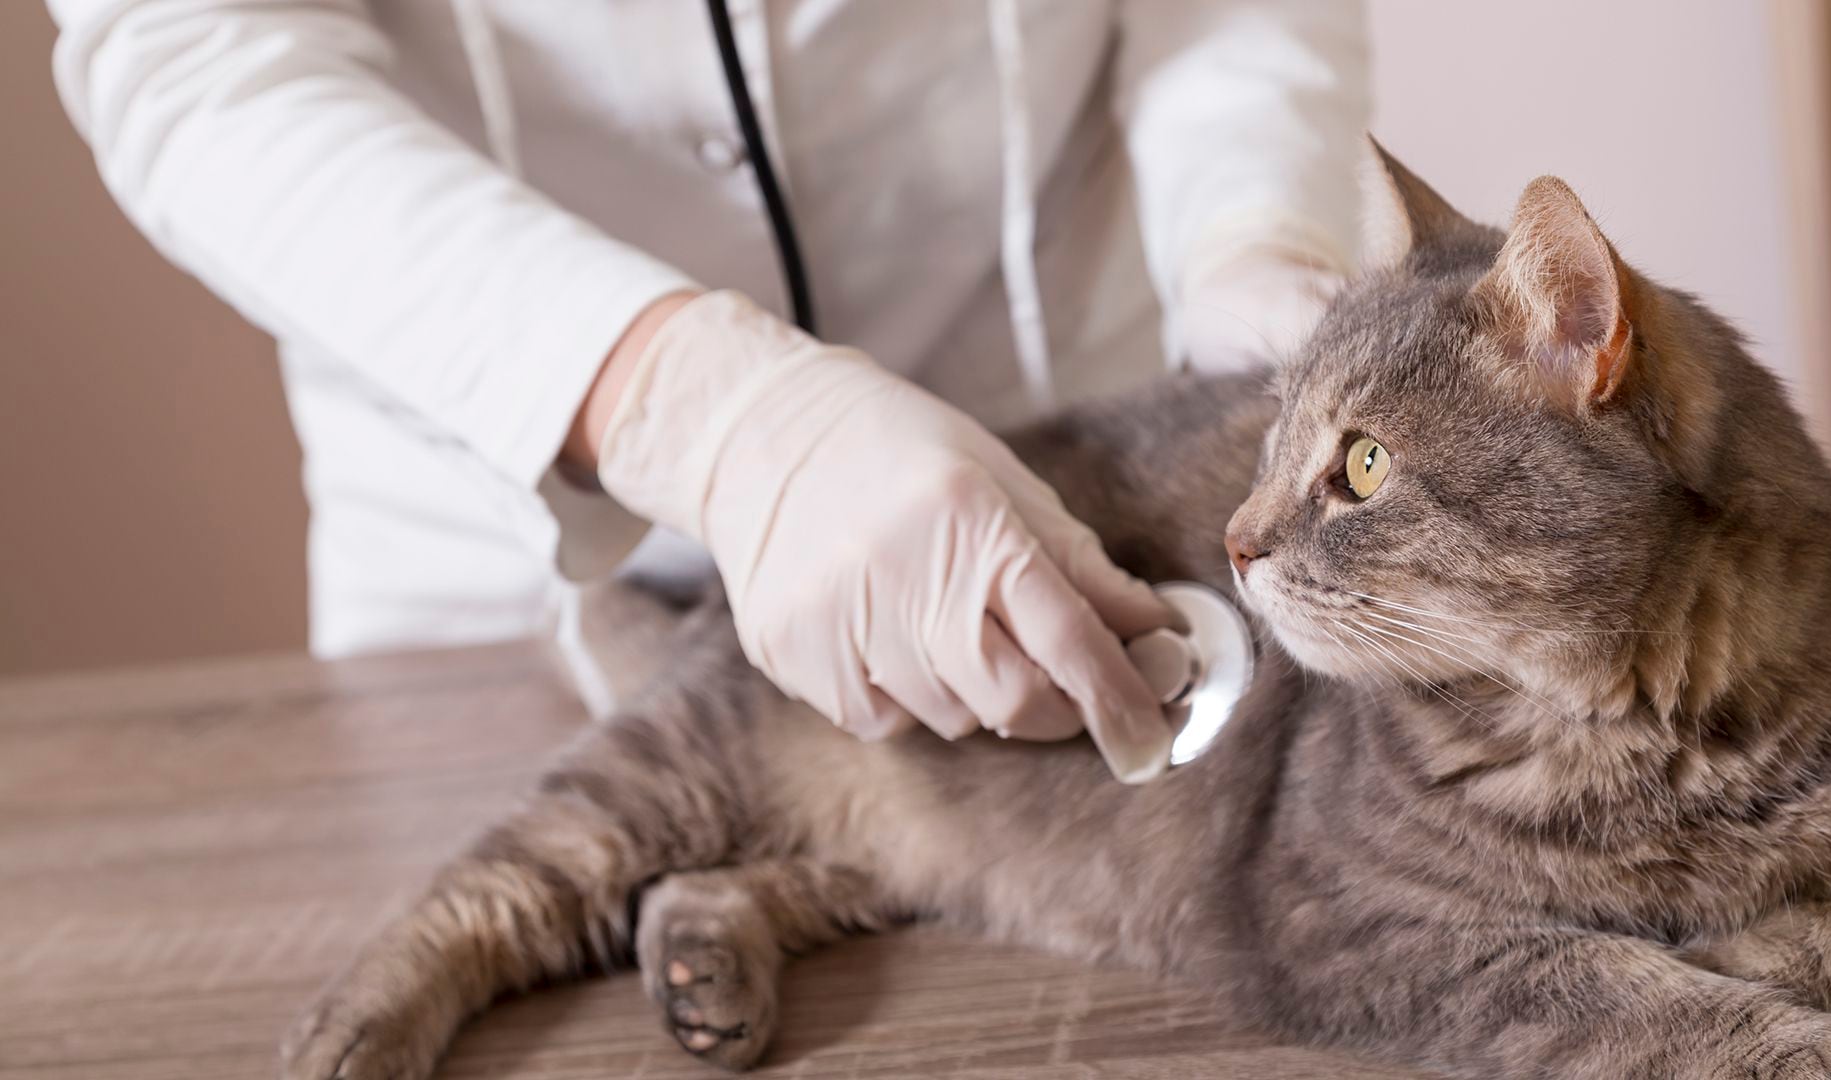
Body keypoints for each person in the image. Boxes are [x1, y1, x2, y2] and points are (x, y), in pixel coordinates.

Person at [47, 1, 1368, 782]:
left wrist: (1255, 230)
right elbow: (194, 58)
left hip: (1095, 488)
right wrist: (713, 417)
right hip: (498, 518)